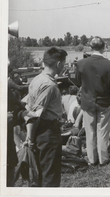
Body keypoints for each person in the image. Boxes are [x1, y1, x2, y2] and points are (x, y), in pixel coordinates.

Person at [19, 47, 68, 187]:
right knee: (50, 175)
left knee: (39, 173)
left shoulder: (36, 79)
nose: (63, 66)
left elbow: (27, 105)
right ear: (58, 64)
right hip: (48, 133)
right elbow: (35, 115)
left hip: (40, 132)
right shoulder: (49, 85)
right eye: (63, 63)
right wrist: (30, 138)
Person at [76, 36, 110, 166]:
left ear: (90, 47)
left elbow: (78, 81)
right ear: (104, 47)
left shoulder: (81, 63)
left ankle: (91, 159)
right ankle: (103, 159)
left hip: (87, 102)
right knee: (103, 131)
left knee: (90, 131)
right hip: (104, 102)